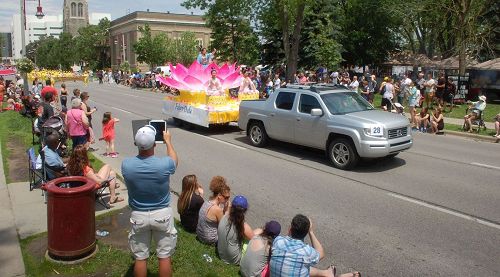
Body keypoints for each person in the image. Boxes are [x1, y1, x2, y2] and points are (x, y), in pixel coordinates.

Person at [122, 125, 178, 277]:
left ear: (136, 144)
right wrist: (168, 142)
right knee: (164, 256)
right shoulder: (164, 164)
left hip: (138, 216)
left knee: (140, 258)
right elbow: (174, 161)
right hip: (162, 215)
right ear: (155, 144)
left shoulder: (126, 165)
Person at [270, 214, 360, 277]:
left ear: (290, 228)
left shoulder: (278, 241)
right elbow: (321, 253)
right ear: (306, 232)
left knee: (300, 265)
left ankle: (326, 273)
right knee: (304, 264)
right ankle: (332, 274)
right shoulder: (307, 252)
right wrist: (311, 232)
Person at [217, 195, 261, 265]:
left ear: (232, 207)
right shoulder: (243, 226)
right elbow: (254, 239)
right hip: (233, 260)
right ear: (245, 210)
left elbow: (228, 208)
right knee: (259, 231)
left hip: (221, 253)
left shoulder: (225, 215)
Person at [196, 176, 231, 245]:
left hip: (200, 235)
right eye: (226, 197)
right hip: (210, 240)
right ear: (219, 195)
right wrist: (227, 211)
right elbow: (224, 227)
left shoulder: (207, 202)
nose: (228, 200)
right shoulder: (217, 209)